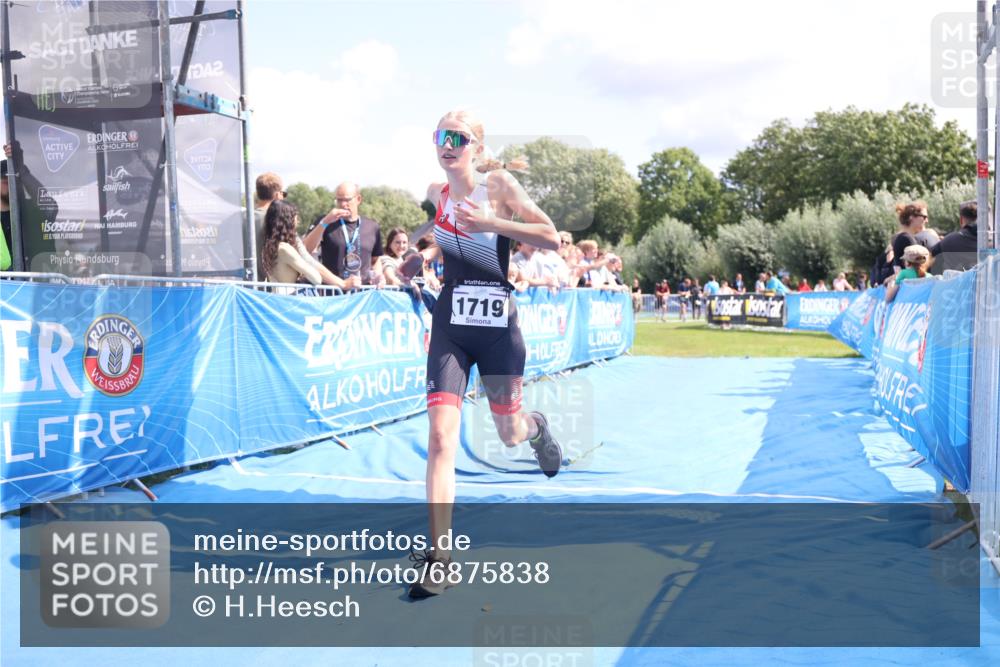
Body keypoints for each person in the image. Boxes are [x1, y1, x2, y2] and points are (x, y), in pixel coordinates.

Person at [408, 110, 563, 599]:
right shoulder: (437, 193)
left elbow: (551, 236)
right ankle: (440, 557)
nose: (446, 145)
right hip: (452, 322)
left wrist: (494, 221)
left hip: (497, 326)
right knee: (439, 437)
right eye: (440, 136)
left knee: (508, 432)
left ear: (475, 145)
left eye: (457, 138)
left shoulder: (497, 185)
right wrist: (421, 256)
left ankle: (535, 427)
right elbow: (446, 236)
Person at [303, 182, 383, 285]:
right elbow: (304, 250)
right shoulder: (325, 221)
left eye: (347, 200)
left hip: (363, 295)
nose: (343, 204)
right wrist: (325, 222)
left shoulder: (372, 226)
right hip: (333, 294)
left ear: (358, 199)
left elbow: (375, 260)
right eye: (339, 200)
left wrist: (377, 276)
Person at [260, 200, 348, 292]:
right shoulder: (285, 249)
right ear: (287, 220)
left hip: (278, 299)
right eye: (295, 216)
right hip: (290, 301)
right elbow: (316, 278)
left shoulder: (268, 246)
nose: (297, 221)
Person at [930, 200, 980, 273]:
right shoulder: (992, 240)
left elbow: (929, 255)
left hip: (956, 282)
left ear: (961, 219)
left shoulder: (949, 240)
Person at [253, 172, 284, 280]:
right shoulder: (278, 221)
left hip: (241, 288)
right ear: (277, 195)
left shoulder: (240, 219)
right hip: (266, 291)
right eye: (282, 193)